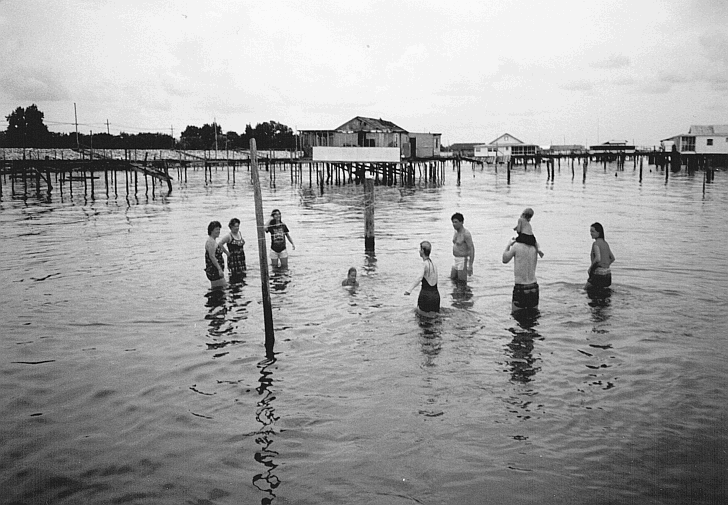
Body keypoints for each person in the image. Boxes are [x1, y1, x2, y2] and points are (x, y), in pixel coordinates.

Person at [502, 236, 539, 312]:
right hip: (534, 287)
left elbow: (505, 259)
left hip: (521, 287)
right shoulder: (535, 247)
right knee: (534, 317)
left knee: (517, 317)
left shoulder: (516, 246)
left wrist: (508, 245)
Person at [404, 241, 440, 315]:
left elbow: (419, 278)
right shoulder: (434, 264)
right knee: (435, 320)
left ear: (423, 251)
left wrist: (408, 290)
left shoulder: (424, 264)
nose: (419, 251)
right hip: (436, 296)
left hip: (426, 296)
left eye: (420, 249)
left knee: (421, 319)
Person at [585, 222, 615, 289]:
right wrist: (605, 265)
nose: (591, 233)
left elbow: (598, 258)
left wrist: (591, 268)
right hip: (608, 274)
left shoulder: (596, 244)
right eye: (590, 231)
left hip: (598, 274)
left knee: (585, 289)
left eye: (593, 231)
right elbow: (612, 258)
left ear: (599, 233)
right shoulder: (605, 243)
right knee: (602, 293)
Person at [450, 212, 474, 282]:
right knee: (452, 280)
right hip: (455, 259)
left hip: (463, 260)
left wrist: (470, 265)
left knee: (462, 283)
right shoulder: (456, 232)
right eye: (453, 222)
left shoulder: (466, 234)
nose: (454, 224)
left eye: (456, 222)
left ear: (461, 222)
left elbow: (472, 249)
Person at [205, 221, 226, 288]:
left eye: (219, 229)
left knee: (221, 289)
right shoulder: (210, 242)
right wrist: (219, 269)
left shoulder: (213, 241)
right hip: (214, 270)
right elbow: (212, 256)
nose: (218, 231)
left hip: (215, 270)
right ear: (211, 230)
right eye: (217, 229)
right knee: (220, 289)